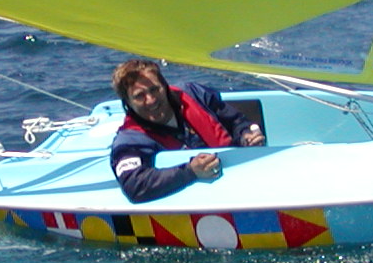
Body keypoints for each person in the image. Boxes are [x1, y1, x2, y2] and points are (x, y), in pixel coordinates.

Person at [108, 59, 265, 203]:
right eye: (139, 96)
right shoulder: (129, 140)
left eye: (155, 89)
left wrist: (246, 135)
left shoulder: (195, 94)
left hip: (242, 181)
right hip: (199, 202)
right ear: (128, 103)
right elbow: (135, 186)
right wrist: (190, 171)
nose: (151, 100)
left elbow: (236, 121)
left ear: (165, 87)